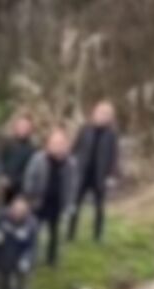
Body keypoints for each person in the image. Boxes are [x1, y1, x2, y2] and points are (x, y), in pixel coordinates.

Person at [22, 129, 78, 267]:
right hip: (39, 201)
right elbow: (29, 177)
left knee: (55, 232)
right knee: (34, 230)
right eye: (54, 143)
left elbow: (72, 185)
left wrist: (69, 203)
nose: (57, 147)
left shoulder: (70, 163)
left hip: (57, 202)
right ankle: (29, 256)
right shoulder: (38, 159)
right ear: (48, 144)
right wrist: (29, 196)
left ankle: (52, 259)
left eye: (61, 143)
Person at [69, 101, 121, 243]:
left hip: (100, 175)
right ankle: (70, 234)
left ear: (110, 118)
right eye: (100, 113)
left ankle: (98, 236)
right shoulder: (85, 129)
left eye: (106, 114)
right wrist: (71, 163)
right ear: (94, 113)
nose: (102, 116)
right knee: (75, 203)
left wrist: (112, 176)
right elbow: (74, 148)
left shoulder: (112, 134)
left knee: (99, 207)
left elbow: (114, 156)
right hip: (82, 172)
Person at [0, 196, 40, 289]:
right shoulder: (3, 217)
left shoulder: (31, 224)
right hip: (6, 255)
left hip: (22, 257)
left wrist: (27, 259)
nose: (16, 213)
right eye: (14, 210)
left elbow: (33, 246)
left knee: (21, 284)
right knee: (5, 283)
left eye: (19, 211)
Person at [0, 115, 37, 205]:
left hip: (19, 190)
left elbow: (29, 173)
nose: (23, 129)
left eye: (26, 127)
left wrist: (12, 181)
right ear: (15, 127)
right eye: (21, 126)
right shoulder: (4, 144)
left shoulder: (33, 151)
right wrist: (1, 176)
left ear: (31, 130)